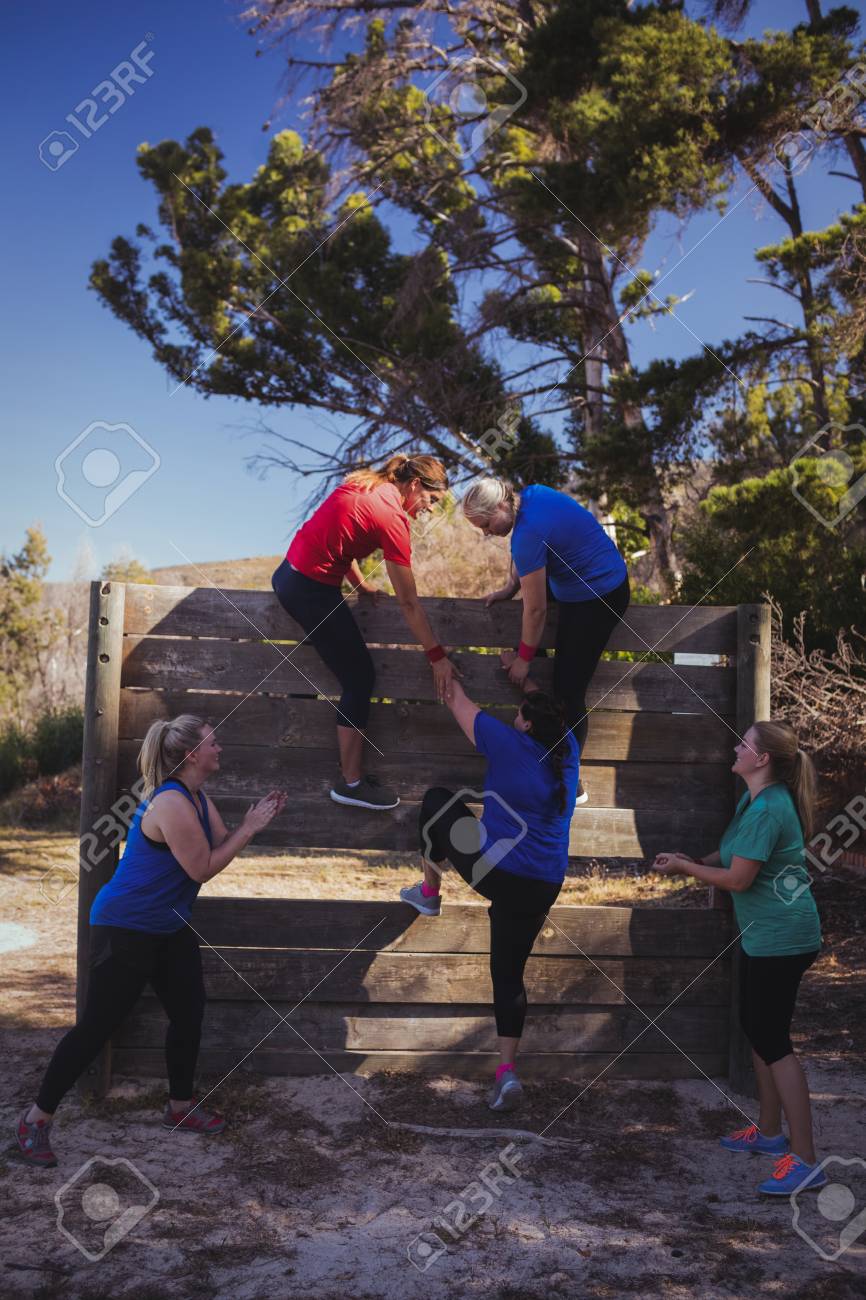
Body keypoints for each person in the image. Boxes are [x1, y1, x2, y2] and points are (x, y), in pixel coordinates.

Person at [15, 716, 286, 1168]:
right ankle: (34, 1120)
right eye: (213, 743)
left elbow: (222, 841)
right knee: (98, 1026)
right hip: (127, 926)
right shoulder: (171, 803)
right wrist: (251, 828)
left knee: (189, 1011)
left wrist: (253, 821)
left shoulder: (197, 796)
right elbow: (202, 868)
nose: (220, 748)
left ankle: (180, 1109)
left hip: (167, 925)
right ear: (191, 755)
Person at [652, 720, 825, 1198]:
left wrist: (690, 869)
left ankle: (807, 1160)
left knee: (773, 1040)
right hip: (762, 937)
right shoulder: (754, 801)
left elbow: (739, 880)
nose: (736, 746)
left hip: (784, 939)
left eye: (743, 743)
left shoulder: (770, 808)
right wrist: (695, 858)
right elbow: (732, 855)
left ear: (762, 759)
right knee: (758, 1028)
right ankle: (770, 1133)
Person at [400, 679, 579, 1112]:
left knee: (437, 801)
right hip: (545, 883)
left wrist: (441, 666)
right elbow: (547, 712)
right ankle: (506, 1073)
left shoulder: (507, 742)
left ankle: (429, 890)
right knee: (508, 974)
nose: (513, 719)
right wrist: (522, 676)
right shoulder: (567, 749)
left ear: (527, 723)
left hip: (499, 872)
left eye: (520, 714)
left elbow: (456, 698)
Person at [272, 454, 459, 811]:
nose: (430, 510)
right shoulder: (392, 518)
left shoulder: (365, 484)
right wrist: (436, 657)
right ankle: (352, 783)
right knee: (359, 679)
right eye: (432, 501)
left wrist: (360, 586)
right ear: (416, 485)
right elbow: (409, 603)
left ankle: (343, 773)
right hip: (309, 589)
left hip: (291, 575)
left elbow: (339, 538)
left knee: (346, 671)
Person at [462, 478, 629, 805]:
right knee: (552, 675)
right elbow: (531, 561)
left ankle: (569, 781)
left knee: (568, 690)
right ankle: (540, 749)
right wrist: (511, 588)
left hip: (600, 595)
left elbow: (536, 609)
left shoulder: (526, 533)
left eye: (485, 524)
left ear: (500, 506)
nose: (486, 533)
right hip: (574, 584)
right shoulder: (533, 496)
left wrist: (524, 659)